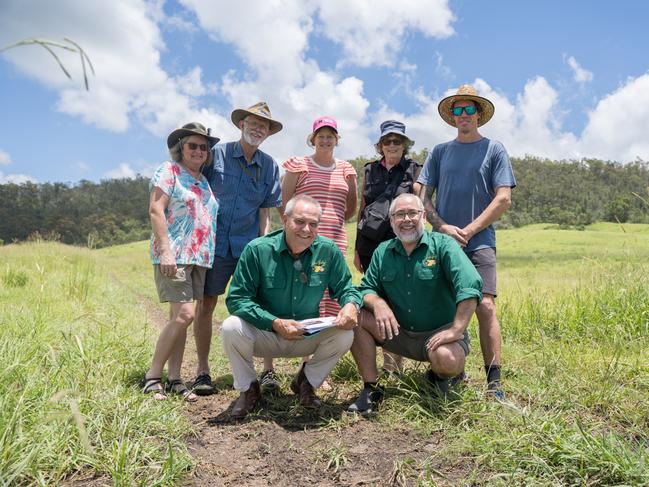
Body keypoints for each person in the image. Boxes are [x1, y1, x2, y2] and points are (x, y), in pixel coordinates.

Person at [221, 195, 362, 419]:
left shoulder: (328, 251)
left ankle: (306, 382)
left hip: (305, 336)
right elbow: (237, 299)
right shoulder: (257, 250)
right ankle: (249, 390)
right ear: (285, 220)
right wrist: (274, 323)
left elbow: (346, 288)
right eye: (299, 221)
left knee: (345, 334)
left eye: (313, 224)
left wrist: (351, 305)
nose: (306, 229)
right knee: (231, 327)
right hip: (266, 333)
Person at [418, 84, 516, 398]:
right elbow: (423, 197)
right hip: (442, 242)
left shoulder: (494, 149)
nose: (463, 115)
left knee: (485, 306)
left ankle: (494, 383)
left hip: (480, 240)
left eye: (468, 109)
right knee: (443, 307)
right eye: (457, 110)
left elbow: (503, 198)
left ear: (478, 114)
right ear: (452, 116)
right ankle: (447, 371)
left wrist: (470, 230)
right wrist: (444, 227)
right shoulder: (439, 152)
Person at [348, 194, 482, 415]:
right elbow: (365, 290)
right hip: (398, 333)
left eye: (412, 213)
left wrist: (456, 330)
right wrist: (379, 303)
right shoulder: (383, 251)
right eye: (399, 214)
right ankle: (371, 389)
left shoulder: (444, 245)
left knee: (448, 359)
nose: (406, 219)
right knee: (356, 318)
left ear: (424, 217)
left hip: (439, 334)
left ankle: (440, 377)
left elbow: (470, 286)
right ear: (391, 221)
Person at [259, 117, 357, 390]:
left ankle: (309, 368)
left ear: (337, 139)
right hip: (298, 242)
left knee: (326, 305)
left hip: (333, 243)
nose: (325, 140)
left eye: (331, 135)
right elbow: (284, 202)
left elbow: (350, 209)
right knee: (278, 297)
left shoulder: (347, 170)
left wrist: (329, 224)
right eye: (320, 135)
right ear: (312, 138)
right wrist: (296, 232)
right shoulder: (298, 165)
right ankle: (268, 370)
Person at [193, 102, 283, 395]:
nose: (258, 129)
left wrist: (263, 245)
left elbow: (265, 211)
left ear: (268, 133)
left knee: (262, 304)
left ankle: (268, 371)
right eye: (253, 123)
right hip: (213, 245)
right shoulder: (216, 154)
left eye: (264, 126)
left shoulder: (269, 165)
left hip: (248, 247)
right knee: (206, 304)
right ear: (241, 124)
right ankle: (203, 371)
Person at [143, 122, 220, 402]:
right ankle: (153, 376)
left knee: (181, 319)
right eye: (192, 145)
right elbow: (156, 209)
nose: (199, 151)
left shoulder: (203, 180)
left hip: (199, 259)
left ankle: (175, 378)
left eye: (204, 147)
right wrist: (165, 251)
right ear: (181, 148)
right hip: (175, 256)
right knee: (185, 315)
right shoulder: (170, 171)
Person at [353, 120, 421, 374]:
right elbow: (362, 208)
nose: (392, 145)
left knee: (399, 300)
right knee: (377, 299)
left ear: (404, 144)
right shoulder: (370, 170)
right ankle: (382, 364)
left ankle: (395, 365)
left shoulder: (415, 170)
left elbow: (420, 207)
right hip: (371, 245)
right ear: (380, 146)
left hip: (401, 244)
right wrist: (358, 248)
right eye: (387, 141)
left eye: (397, 141)